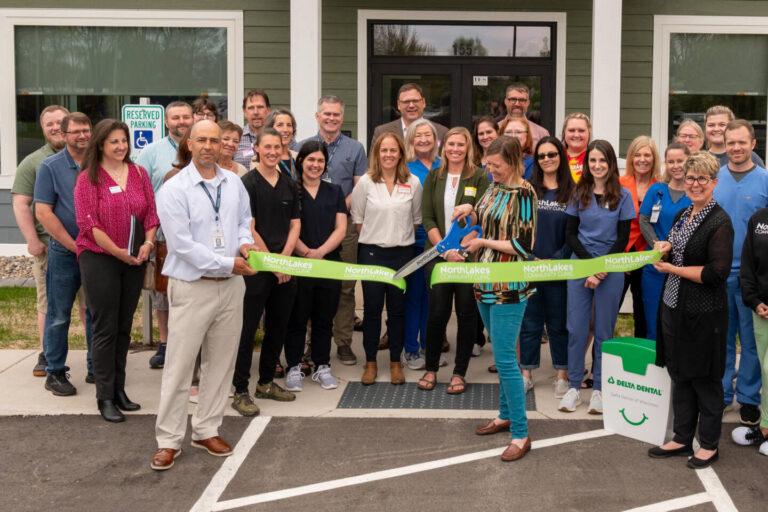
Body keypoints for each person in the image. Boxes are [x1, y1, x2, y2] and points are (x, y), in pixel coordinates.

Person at [151, 119, 257, 471]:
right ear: (189, 144)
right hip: (193, 285)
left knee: (221, 363)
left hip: (230, 287)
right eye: (203, 140)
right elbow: (181, 246)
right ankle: (168, 440)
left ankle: (206, 429)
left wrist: (244, 242)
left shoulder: (233, 184)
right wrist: (229, 262)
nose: (210, 146)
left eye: (216, 140)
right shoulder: (174, 189)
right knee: (180, 366)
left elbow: (244, 220)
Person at [648, 151, 733, 469]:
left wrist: (672, 268)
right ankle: (682, 437)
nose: (695, 184)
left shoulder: (719, 221)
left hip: (704, 313)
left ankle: (709, 444)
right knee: (680, 373)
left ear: (714, 182)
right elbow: (675, 244)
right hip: (673, 308)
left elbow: (716, 273)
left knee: (705, 380)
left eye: (702, 179)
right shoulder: (684, 213)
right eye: (691, 177)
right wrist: (665, 246)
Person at [456, 136, 536, 462]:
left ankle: (521, 432)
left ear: (514, 162)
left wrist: (482, 241)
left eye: (497, 166)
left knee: (504, 358)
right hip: (484, 280)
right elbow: (482, 213)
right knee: (499, 351)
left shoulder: (525, 193)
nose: (491, 171)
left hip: (510, 283)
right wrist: (469, 212)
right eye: (489, 165)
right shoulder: (492, 186)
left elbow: (524, 245)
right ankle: (505, 415)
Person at [74, 119, 159, 422]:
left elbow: (151, 212)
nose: (121, 146)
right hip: (100, 258)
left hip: (135, 259)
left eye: (124, 140)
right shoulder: (88, 178)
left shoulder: (138, 173)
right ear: (100, 145)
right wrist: (118, 252)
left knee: (124, 327)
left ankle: (120, 391)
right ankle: (104, 396)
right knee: (105, 327)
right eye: (114, 142)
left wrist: (148, 243)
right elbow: (89, 224)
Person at [558, 140, 635, 414]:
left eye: (602, 160)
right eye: (592, 161)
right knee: (577, 329)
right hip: (581, 266)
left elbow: (623, 238)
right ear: (587, 164)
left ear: (611, 163)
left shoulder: (623, 196)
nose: (597, 165)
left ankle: (600, 389)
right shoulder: (580, 193)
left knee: (604, 331)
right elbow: (570, 234)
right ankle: (574, 387)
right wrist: (590, 266)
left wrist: (602, 268)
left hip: (610, 269)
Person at [232, 127, 300, 416]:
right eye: (267, 147)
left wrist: (284, 260)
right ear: (256, 149)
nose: (273, 152)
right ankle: (240, 390)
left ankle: (266, 382)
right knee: (247, 329)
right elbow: (249, 226)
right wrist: (272, 262)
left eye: (277, 146)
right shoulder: (247, 183)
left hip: (285, 268)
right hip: (257, 268)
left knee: (278, 326)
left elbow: (295, 224)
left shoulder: (289, 183)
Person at [297, 95, 368, 365]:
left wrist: (335, 206)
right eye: (326, 114)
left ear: (342, 117)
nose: (331, 118)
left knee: (345, 286)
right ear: (317, 116)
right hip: (307, 225)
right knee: (309, 287)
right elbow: (297, 185)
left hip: (344, 225)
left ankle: (343, 343)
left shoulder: (355, 148)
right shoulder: (301, 146)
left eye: (336, 114)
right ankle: (310, 345)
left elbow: (359, 187)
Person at [418, 127, 489, 393]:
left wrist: (461, 251)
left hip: (468, 257)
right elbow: (427, 218)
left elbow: (480, 216)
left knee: (466, 314)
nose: (455, 149)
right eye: (451, 144)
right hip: (438, 257)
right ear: (443, 146)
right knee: (437, 314)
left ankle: (460, 372)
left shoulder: (480, 176)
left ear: (468, 147)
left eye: (460, 144)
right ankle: (431, 368)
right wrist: (445, 250)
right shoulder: (434, 176)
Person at [351, 132, 422, 385]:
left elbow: (415, 221)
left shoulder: (412, 182)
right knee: (371, 311)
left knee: (397, 312)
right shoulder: (366, 183)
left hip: (402, 255)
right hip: (372, 254)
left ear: (401, 153)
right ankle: (370, 362)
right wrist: (378, 237)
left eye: (393, 150)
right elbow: (358, 220)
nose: (389, 155)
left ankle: (395, 362)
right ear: (377, 154)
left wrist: (395, 237)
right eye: (384, 150)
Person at [11, 104, 77, 377]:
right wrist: (31, 241)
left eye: (60, 121)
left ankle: (96, 358)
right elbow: (20, 204)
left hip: (88, 246)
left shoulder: (86, 156)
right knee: (50, 305)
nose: (55, 127)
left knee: (88, 304)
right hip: (50, 247)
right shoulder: (33, 162)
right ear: (43, 129)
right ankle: (46, 355)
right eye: (49, 123)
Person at [33, 112, 95, 396]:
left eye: (86, 130)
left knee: (96, 312)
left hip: (97, 253)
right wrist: (73, 245)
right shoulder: (50, 166)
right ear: (64, 134)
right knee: (59, 315)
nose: (82, 135)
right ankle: (55, 372)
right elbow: (43, 211)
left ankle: (97, 368)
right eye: (76, 131)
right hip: (64, 253)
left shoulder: (99, 162)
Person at [713, 119, 768, 425]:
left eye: (741, 142)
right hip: (718, 274)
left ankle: (748, 398)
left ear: (752, 144)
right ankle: (721, 394)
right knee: (720, 338)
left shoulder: (764, 181)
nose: (735, 147)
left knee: (750, 342)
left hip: (752, 278)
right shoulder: (714, 179)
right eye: (730, 142)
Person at [283, 141, 347, 391]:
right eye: (311, 160)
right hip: (300, 264)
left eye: (320, 161)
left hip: (328, 264)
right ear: (301, 162)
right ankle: (294, 367)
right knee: (297, 318)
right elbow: (287, 227)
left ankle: (322, 366)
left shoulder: (335, 191)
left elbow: (341, 228)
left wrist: (320, 252)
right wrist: (305, 252)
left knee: (324, 318)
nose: (315, 165)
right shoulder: (290, 190)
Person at [136, 101, 193, 369]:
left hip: (196, 234)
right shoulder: (151, 152)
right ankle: (166, 344)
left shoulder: (200, 147)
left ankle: (191, 344)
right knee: (163, 292)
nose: (181, 122)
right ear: (166, 122)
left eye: (186, 117)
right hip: (162, 234)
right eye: (176, 118)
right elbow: (141, 193)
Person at [519, 136, 575, 398]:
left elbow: (574, 233)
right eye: (541, 156)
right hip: (530, 266)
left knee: (558, 324)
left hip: (558, 268)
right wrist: (530, 258)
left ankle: (562, 376)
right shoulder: (527, 190)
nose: (547, 160)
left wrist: (556, 259)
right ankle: (526, 374)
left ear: (560, 157)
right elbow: (518, 228)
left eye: (552, 154)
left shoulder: (573, 192)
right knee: (529, 323)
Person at [400, 119, 441, 370]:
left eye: (428, 135)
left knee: (432, 298)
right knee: (414, 297)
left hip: (438, 243)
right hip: (414, 241)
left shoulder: (443, 165)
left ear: (435, 139)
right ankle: (411, 350)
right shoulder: (405, 167)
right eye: (418, 136)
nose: (423, 139)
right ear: (411, 140)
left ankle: (429, 345)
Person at [638, 142, 691, 340]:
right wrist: (657, 246)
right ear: (665, 164)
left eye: (680, 161)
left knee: (680, 322)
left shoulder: (695, 193)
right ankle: (654, 366)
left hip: (683, 268)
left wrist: (672, 248)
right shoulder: (657, 190)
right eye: (671, 161)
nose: (676, 165)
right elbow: (644, 220)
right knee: (653, 319)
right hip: (655, 265)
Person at [732, 205, 768, 455]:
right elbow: (748, 265)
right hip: (762, 310)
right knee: (766, 371)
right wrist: (754, 301)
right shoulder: (759, 219)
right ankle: (765, 426)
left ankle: (766, 428)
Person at [618, 136, 661, 339]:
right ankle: (601, 363)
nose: (642, 159)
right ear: (630, 158)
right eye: (637, 154)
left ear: (654, 159)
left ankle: (643, 362)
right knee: (608, 310)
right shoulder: (619, 184)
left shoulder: (661, 187)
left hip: (646, 256)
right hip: (621, 253)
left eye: (647, 155)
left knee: (643, 311)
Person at [371, 83, 448, 147]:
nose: (411, 105)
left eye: (415, 101)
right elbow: (374, 162)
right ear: (398, 104)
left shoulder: (441, 132)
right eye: (406, 102)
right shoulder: (381, 132)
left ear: (423, 102)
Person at [500, 82, 549, 148]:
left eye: (522, 100)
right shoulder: (495, 130)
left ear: (528, 103)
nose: (517, 104)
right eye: (513, 99)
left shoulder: (541, 134)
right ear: (505, 102)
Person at [234, 88, 271, 168]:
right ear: (244, 112)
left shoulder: (280, 136)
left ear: (268, 110)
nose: (256, 112)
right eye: (251, 108)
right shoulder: (236, 138)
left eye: (260, 107)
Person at [264, 108, 299, 178]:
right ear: (270, 129)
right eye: (280, 125)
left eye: (289, 125)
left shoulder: (299, 157)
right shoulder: (260, 159)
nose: (285, 130)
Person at [561, 113, 592, 183]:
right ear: (564, 133)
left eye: (581, 131)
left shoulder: (596, 157)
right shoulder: (556, 156)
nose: (576, 135)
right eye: (571, 130)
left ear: (589, 133)